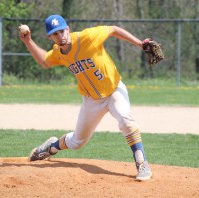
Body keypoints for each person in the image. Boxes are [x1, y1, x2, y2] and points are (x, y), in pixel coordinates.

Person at [19, 14, 152, 181]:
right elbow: (45, 61)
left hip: (114, 90)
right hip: (91, 100)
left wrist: (139, 44)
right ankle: (51, 147)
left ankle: (142, 163)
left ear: (68, 29)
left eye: (62, 31)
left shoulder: (86, 37)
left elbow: (113, 30)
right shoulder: (58, 52)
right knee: (77, 142)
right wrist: (28, 41)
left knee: (126, 120)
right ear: (50, 37)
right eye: (55, 34)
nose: (60, 36)